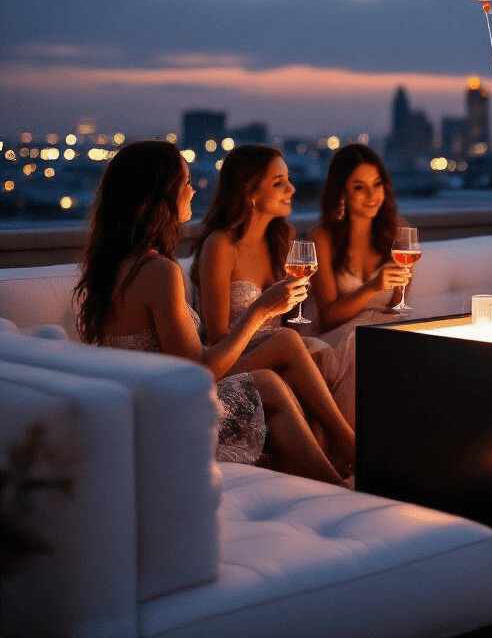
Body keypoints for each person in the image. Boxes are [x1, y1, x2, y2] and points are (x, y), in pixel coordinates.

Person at [75, 140, 353, 484]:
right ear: (162, 194)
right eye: (186, 183)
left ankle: (335, 472)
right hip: (168, 416)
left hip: (145, 404)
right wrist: (259, 311)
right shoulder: (158, 270)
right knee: (274, 371)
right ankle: (341, 479)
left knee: (280, 360)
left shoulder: (114, 265)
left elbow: (185, 361)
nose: (193, 191)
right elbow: (198, 373)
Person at [190, 144, 346, 409]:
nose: (292, 189)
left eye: (289, 180)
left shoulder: (283, 238)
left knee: (315, 355)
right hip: (232, 358)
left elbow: (289, 320)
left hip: (277, 350)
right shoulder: (221, 245)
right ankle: (349, 442)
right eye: (279, 183)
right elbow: (217, 336)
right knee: (288, 342)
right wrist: (274, 342)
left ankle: (334, 447)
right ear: (250, 192)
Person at [307, 144, 413, 422]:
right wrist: (372, 287)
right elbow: (328, 317)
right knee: (364, 344)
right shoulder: (323, 236)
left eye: (377, 185)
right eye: (359, 187)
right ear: (341, 191)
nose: (371, 196)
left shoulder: (398, 232)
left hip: (380, 330)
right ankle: (351, 451)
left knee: (395, 341)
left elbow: (396, 307)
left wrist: (400, 285)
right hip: (337, 336)